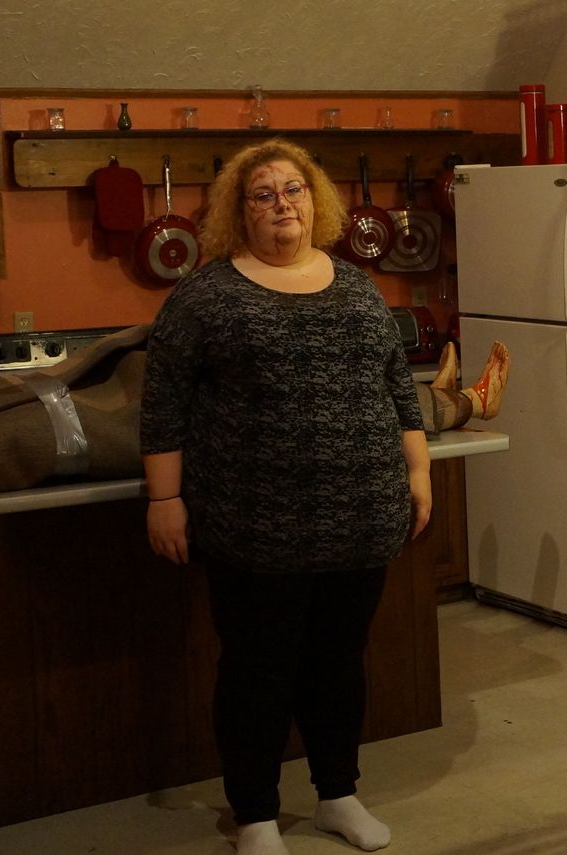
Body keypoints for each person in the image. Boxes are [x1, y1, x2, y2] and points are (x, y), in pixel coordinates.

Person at [140, 138, 426, 854]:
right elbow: (163, 403)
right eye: (262, 194)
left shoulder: (356, 284)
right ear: (239, 211)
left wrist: (417, 474)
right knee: (256, 669)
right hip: (253, 525)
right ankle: (256, 815)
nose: (281, 205)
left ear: (314, 199)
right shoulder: (205, 295)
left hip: (360, 517)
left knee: (339, 662)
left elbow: (397, 385)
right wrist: (163, 500)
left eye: (293, 190)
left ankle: (337, 794)